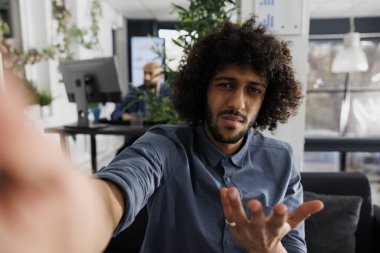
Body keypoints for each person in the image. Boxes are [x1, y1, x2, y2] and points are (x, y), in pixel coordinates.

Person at [0, 16, 323, 253]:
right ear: (203, 89)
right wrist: (70, 222)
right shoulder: (166, 146)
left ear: (267, 100)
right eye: (226, 84)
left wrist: (268, 249)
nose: (238, 102)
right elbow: (119, 188)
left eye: (253, 90)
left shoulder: (281, 159)